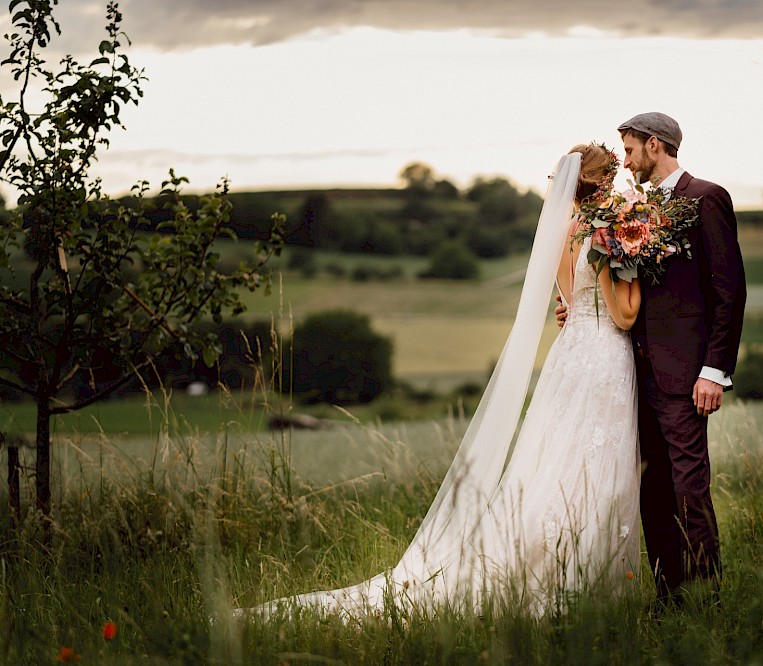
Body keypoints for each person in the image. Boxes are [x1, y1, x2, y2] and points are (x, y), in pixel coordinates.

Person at [241, 144, 643, 621]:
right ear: (603, 184)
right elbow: (625, 313)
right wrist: (640, 279)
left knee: (555, 463)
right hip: (602, 356)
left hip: (568, 358)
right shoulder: (603, 236)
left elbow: (567, 303)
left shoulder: (558, 234)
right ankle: (584, 579)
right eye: (614, 177)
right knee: (595, 469)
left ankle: (557, 565)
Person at [557, 112, 747, 606]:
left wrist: (714, 371)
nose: (625, 158)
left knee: (689, 482)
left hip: (686, 373)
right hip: (630, 368)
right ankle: (668, 594)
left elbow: (729, 293)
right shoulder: (634, 205)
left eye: (630, 147)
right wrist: (577, 305)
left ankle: (707, 592)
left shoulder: (706, 197)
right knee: (650, 486)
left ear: (655, 145)